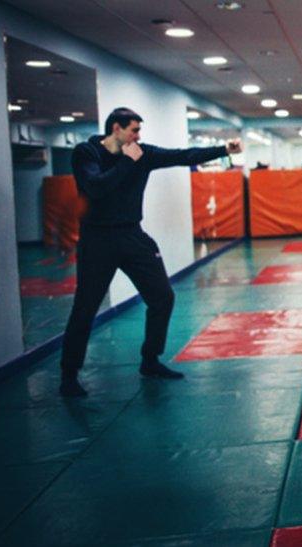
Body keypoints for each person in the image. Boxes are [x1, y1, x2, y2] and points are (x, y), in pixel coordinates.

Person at [59, 107, 242, 398]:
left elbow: (182, 156)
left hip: (132, 235)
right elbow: (95, 188)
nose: (138, 137)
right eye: (134, 130)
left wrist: (223, 149)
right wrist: (128, 163)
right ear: (116, 129)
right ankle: (69, 374)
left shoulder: (141, 152)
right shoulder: (87, 153)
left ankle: (150, 360)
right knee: (85, 307)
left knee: (162, 297)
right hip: (97, 241)